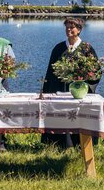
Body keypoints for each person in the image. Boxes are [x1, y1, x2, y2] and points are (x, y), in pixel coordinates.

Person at [41, 17, 100, 148]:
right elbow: (50, 72)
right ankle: (58, 144)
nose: (68, 30)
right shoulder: (59, 48)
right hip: (59, 90)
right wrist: (47, 90)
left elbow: (95, 71)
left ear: (79, 30)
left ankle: (81, 144)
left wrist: (85, 86)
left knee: (79, 117)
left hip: (79, 92)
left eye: (72, 27)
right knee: (60, 116)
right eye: (67, 27)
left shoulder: (87, 48)